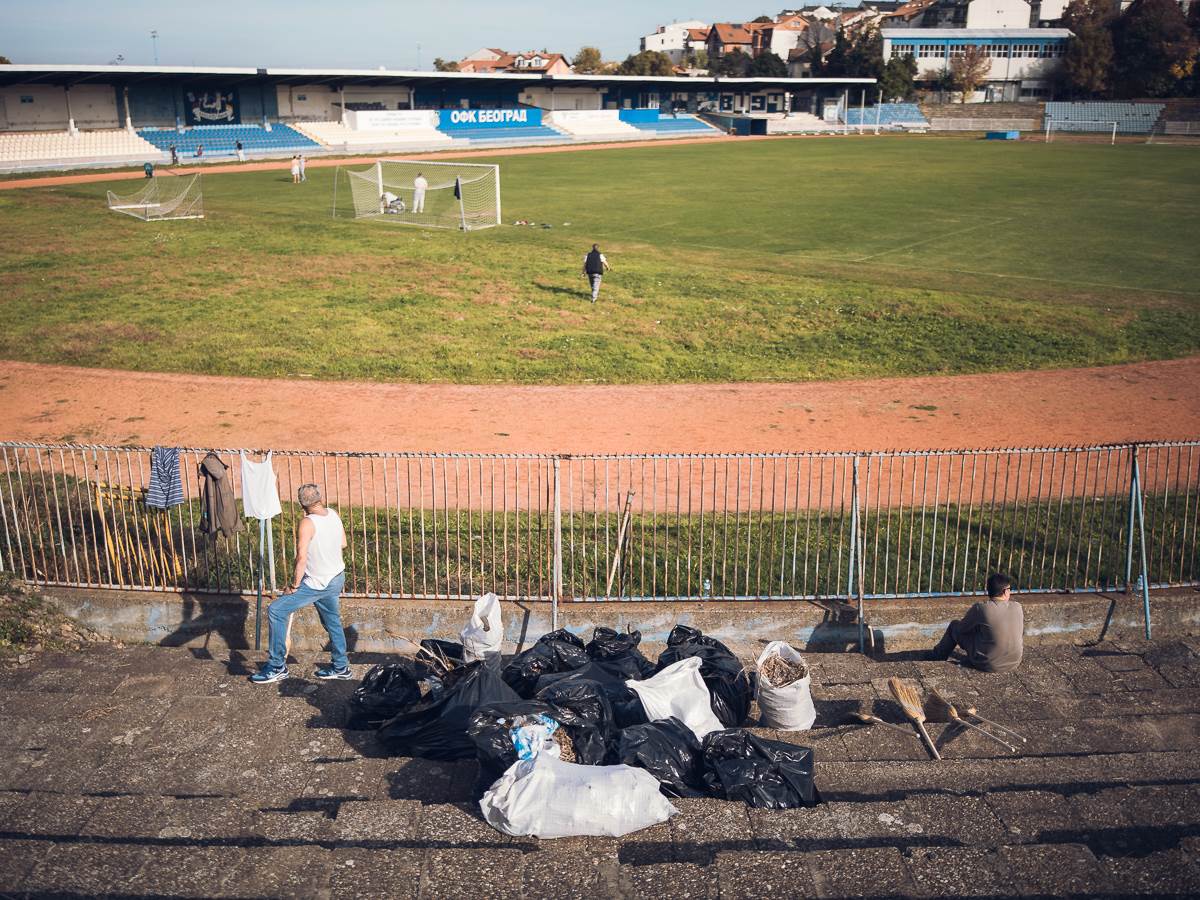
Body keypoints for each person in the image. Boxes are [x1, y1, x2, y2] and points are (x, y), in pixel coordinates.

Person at [251, 483, 351, 683]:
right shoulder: (333, 514)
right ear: (320, 498)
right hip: (336, 577)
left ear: (301, 504)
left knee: (276, 610)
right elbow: (343, 544)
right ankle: (341, 667)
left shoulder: (307, 523)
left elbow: (301, 558)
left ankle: (277, 665)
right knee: (332, 622)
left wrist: (294, 585)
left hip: (316, 582)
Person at [926, 573, 1024, 673]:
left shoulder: (981, 608)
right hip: (1014, 662)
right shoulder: (1017, 607)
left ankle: (936, 656)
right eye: (1009, 589)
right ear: (1005, 591)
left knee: (954, 626)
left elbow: (961, 629)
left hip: (988, 664)